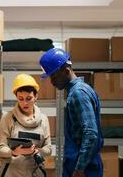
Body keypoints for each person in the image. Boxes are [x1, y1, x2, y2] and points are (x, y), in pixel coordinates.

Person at [39, 48, 104, 177]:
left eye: (54, 76)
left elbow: (91, 134)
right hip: (80, 163)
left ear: (66, 69)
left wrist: (79, 169)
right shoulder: (79, 91)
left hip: (83, 168)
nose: (52, 82)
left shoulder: (78, 93)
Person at [0, 74, 52, 177]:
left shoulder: (43, 119)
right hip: (12, 173)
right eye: (21, 99)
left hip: (36, 172)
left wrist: (37, 151)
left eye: (29, 98)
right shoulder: (7, 118)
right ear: (16, 97)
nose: (24, 103)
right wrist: (14, 152)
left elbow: (48, 148)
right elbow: (1, 150)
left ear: (36, 96)